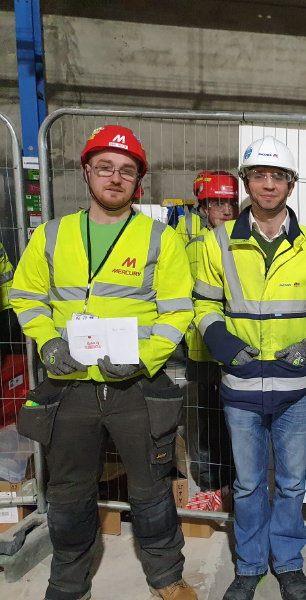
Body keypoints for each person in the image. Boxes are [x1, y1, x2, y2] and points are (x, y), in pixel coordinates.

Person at [10, 125, 196, 600]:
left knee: (152, 487)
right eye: (106, 168)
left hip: (137, 387)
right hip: (70, 386)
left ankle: (166, 576)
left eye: (126, 171)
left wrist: (143, 358)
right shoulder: (52, 235)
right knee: (69, 492)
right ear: (87, 172)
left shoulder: (160, 239)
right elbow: (26, 296)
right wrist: (48, 343)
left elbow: (178, 311)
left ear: (138, 181)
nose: (115, 178)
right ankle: (68, 581)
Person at [193, 136, 306, 600]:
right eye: (258, 175)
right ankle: (250, 566)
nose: (268, 184)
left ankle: (288, 563)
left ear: (291, 185)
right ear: (246, 182)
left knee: (291, 484)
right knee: (249, 484)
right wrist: (225, 346)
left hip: (296, 390)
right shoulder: (217, 243)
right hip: (242, 387)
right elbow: (204, 305)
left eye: (278, 176)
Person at [175, 170, 239, 491]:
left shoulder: (243, 237)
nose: (226, 210)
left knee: (236, 417)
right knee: (207, 418)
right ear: (203, 207)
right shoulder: (188, 241)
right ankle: (211, 484)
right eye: (217, 203)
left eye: (231, 203)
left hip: (237, 345)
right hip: (202, 345)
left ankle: (235, 481)